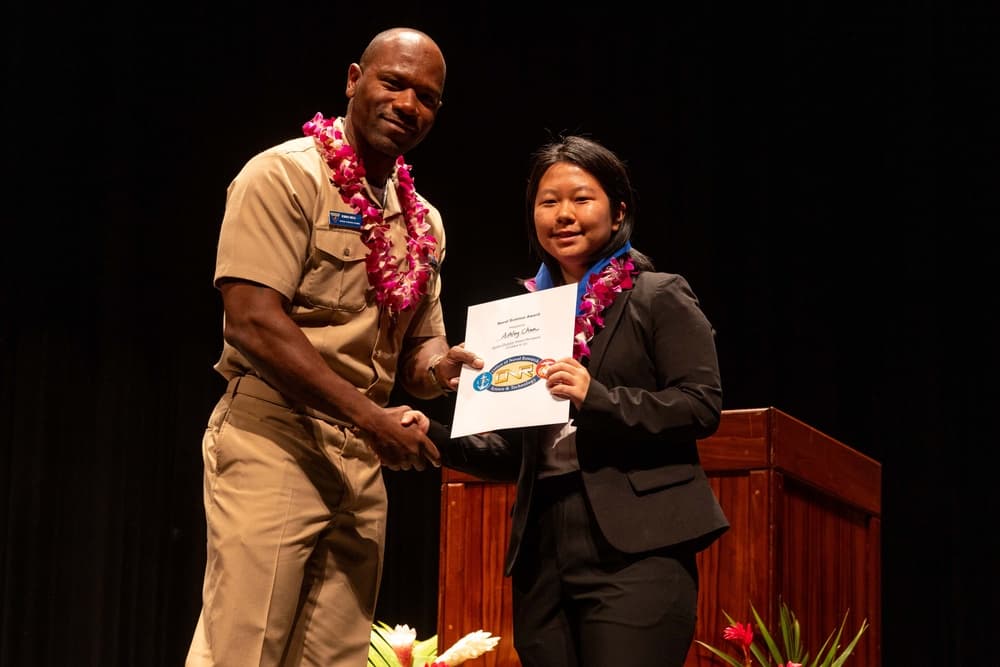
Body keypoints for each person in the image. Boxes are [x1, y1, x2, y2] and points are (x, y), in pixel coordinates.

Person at [186, 27, 481, 667]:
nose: (408, 104)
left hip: (363, 461)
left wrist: (446, 368)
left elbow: (419, 351)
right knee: (245, 648)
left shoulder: (423, 219)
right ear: (354, 79)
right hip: (275, 437)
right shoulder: (284, 176)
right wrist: (374, 417)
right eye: (393, 82)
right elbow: (253, 323)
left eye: (426, 97)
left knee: (334, 658)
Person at [425, 135, 730, 667]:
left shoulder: (657, 295)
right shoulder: (520, 320)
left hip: (638, 544)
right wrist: (428, 432)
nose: (563, 215)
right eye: (548, 202)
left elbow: (699, 405)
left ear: (618, 213)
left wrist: (599, 398)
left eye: (581, 198)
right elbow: (513, 454)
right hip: (542, 545)